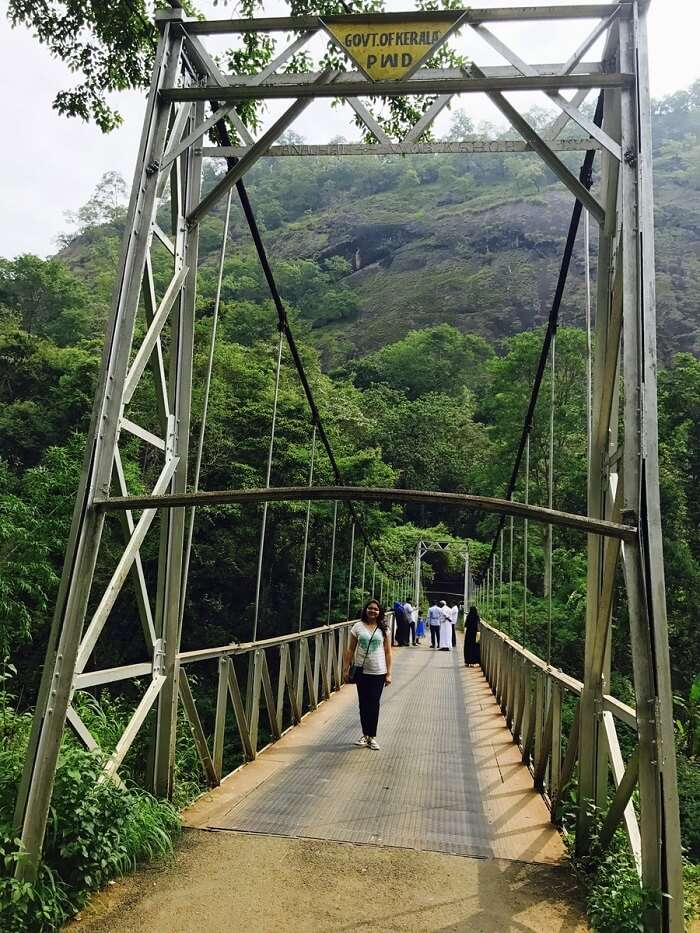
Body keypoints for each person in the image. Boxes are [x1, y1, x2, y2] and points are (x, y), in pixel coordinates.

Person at [343, 599, 392, 750]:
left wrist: (389, 673)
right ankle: (365, 735)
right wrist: (346, 668)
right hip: (361, 671)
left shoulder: (383, 629)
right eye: (370, 608)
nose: (372, 611)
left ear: (380, 612)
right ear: (365, 610)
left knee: (374, 704)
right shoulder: (357, 626)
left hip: (378, 671)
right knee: (363, 704)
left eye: (376, 609)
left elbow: (388, 651)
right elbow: (350, 649)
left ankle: (372, 736)